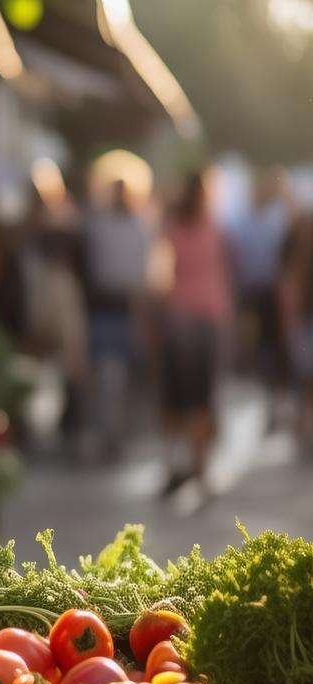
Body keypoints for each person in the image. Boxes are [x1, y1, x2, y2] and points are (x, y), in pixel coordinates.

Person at [158, 171, 233, 495]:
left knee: (176, 396)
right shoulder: (214, 231)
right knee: (201, 397)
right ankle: (199, 467)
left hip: (179, 318)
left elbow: (159, 277)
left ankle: (174, 462)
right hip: (207, 319)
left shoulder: (171, 229)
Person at [82, 177, 152, 460]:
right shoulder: (104, 227)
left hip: (120, 307)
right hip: (107, 306)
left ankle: (111, 433)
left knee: (112, 376)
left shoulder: (128, 228)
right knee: (106, 376)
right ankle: (106, 432)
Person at [226, 167, 291, 422]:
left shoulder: (278, 219)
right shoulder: (242, 222)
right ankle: (268, 396)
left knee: (276, 346)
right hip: (251, 293)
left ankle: (279, 400)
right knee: (257, 348)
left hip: (273, 294)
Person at [278, 211, 313, 455]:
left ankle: (304, 429)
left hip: (302, 325)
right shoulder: (295, 261)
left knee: (304, 381)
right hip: (303, 324)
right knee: (304, 381)